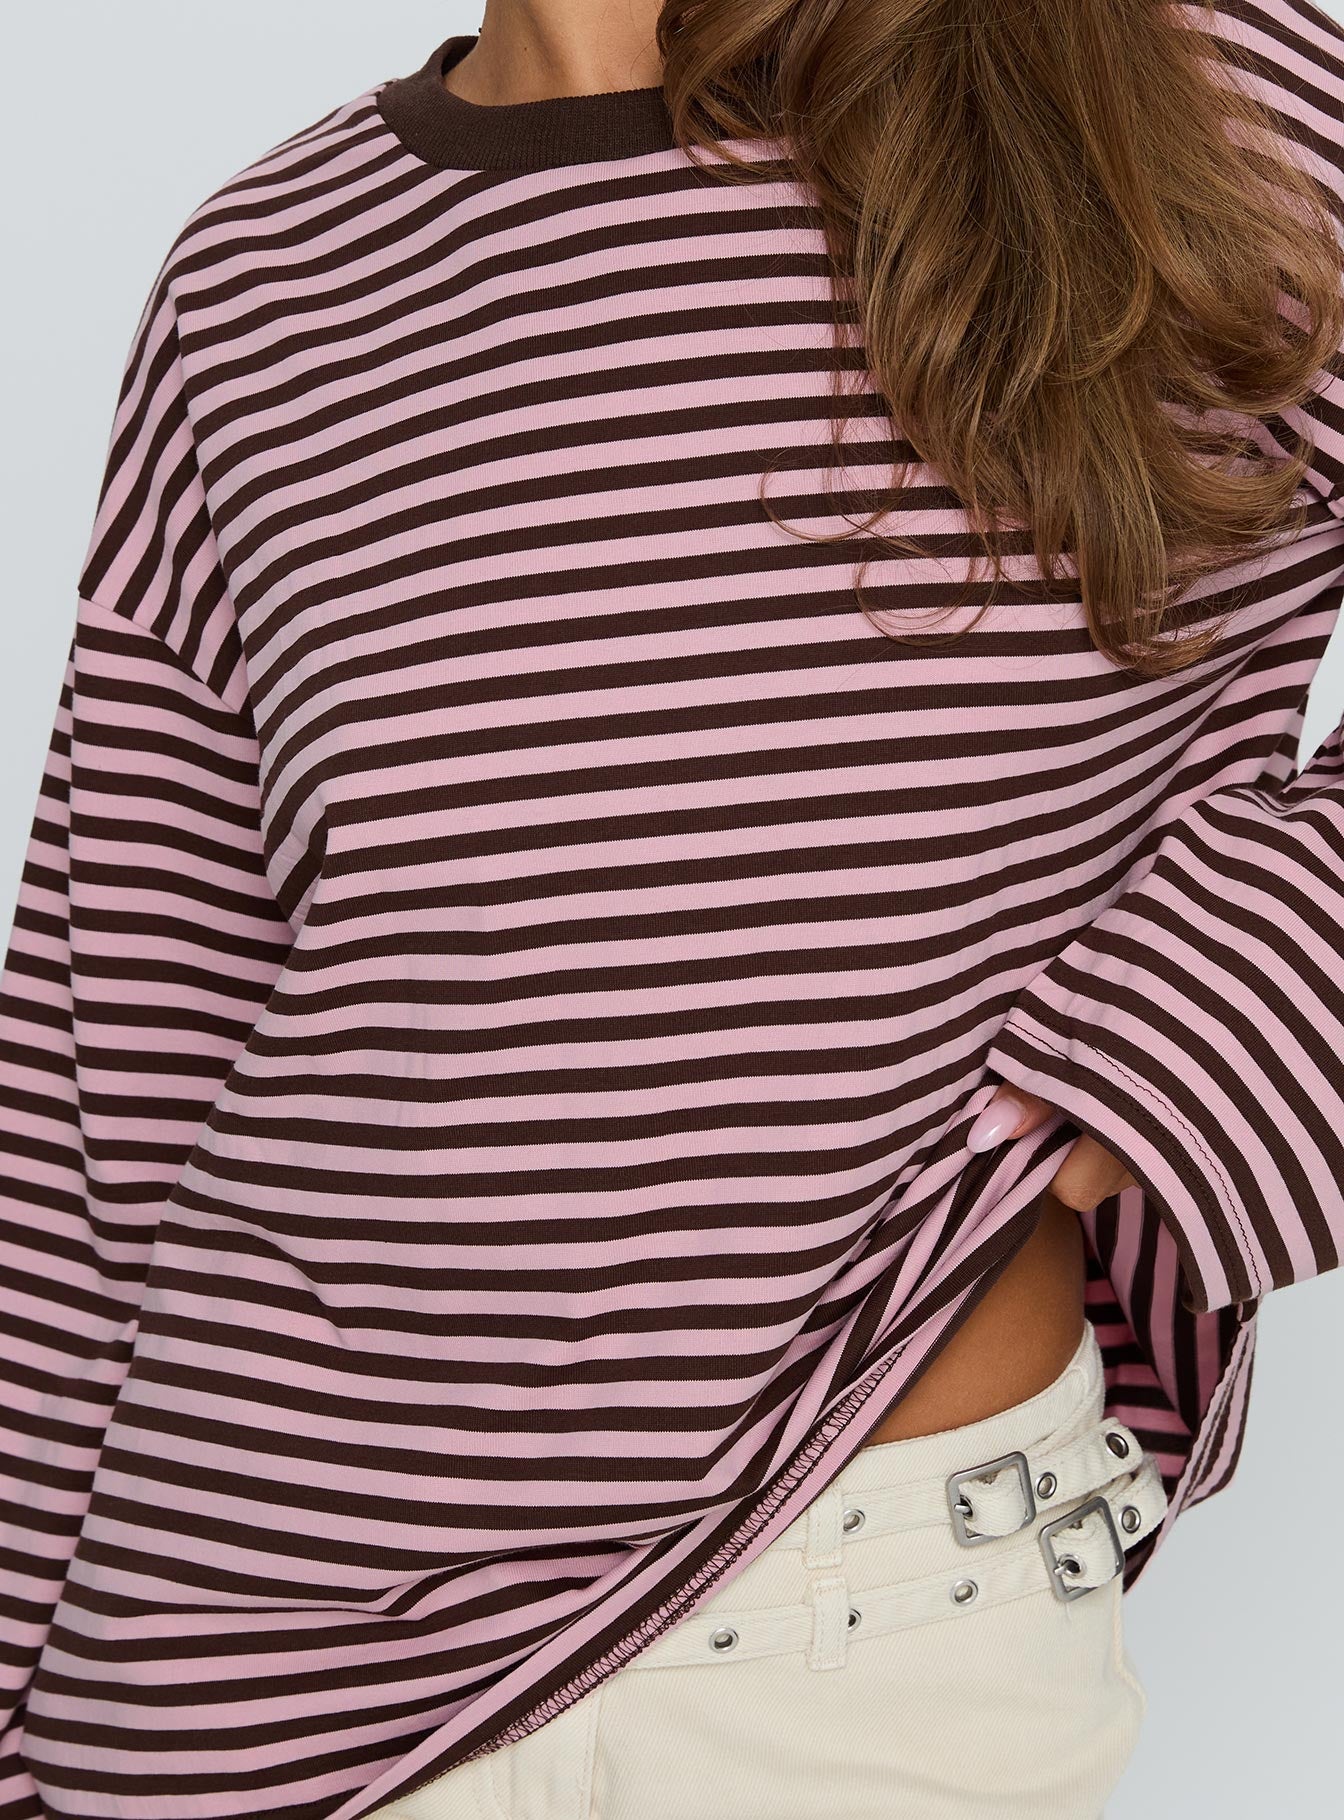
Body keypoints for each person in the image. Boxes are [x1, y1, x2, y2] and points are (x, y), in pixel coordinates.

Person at [1, 1, 1341, 1816]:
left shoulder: (1163, 74)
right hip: (217, 1669)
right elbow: (110, 1082)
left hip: (859, 1636)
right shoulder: (264, 278)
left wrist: (1214, 1020)